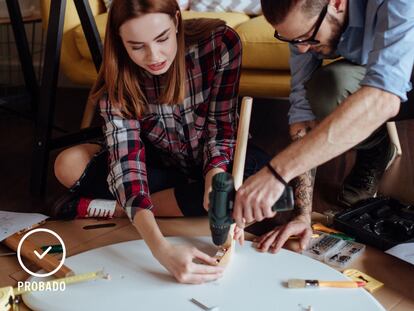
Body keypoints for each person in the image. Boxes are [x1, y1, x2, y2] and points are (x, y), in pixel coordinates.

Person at [52, 0, 270, 283]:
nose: (154, 55)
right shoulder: (115, 83)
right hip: (162, 164)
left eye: (162, 38)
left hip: (214, 158)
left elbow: (222, 126)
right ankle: (136, 207)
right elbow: (128, 164)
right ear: (120, 41)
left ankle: (123, 208)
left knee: (262, 183)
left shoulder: (220, 44)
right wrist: (162, 250)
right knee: (67, 164)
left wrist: (214, 180)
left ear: (177, 21)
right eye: (137, 46)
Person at [233, 0, 414, 253]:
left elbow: (382, 98)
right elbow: (302, 113)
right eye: (294, 41)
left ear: (337, 3)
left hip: (396, 81)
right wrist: (301, 216)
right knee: (326, 88)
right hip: (383, 75)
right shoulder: (303, 29)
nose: (303, 49)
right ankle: (375, 146)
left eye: (308, 38)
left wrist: (277, 173)